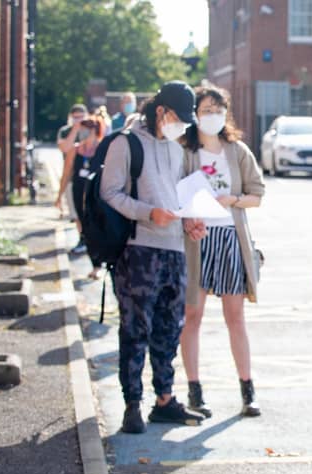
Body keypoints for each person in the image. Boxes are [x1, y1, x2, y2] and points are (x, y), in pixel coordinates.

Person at [100, 81, 208, 434]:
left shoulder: (176, 151)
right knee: (135, 329)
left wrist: (189, 220)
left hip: (174, 249)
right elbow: (110, 192)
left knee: (168, 329)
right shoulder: (125, 143)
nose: (181, 126)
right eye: (177, 117)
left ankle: (164, 400)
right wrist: (148, 213)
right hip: (138, 249)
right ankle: (132, 403)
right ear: (160, 111)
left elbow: (175, 198)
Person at [180, 85, 265, 418]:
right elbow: (174, 194)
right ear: (195, 113)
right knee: (193, 316)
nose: (211, 115)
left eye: (217, 109)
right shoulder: (185, 150)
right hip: (196, 241)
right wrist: (187, 220)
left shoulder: (237, 150)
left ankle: (247, 390)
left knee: (235, 318)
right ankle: (194, 391)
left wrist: (233, 200)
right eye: (205, 109)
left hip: (230, 238)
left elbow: (257, 194)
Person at [55, 115, 106, 279]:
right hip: (78, 193)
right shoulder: (75, 150)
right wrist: (59, 196)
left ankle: (99, 264)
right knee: (84, 229)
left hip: (96, 196)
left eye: (86, 130)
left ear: (94, 131)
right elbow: (66, 173)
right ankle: (95, 263)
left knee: (95, 229)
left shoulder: (102, 149)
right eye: (81, 130)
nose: (83, 133)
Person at [56, 104, 89, 252]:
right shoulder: (65, 131)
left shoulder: (91, 130)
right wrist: (75, 129)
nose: (78, 120)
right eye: (75, 117)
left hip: (88, 177)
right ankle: (82, 238)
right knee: (76, 212)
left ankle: (88, 239)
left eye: (81, 116)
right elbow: (65, 148)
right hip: (71, 176)